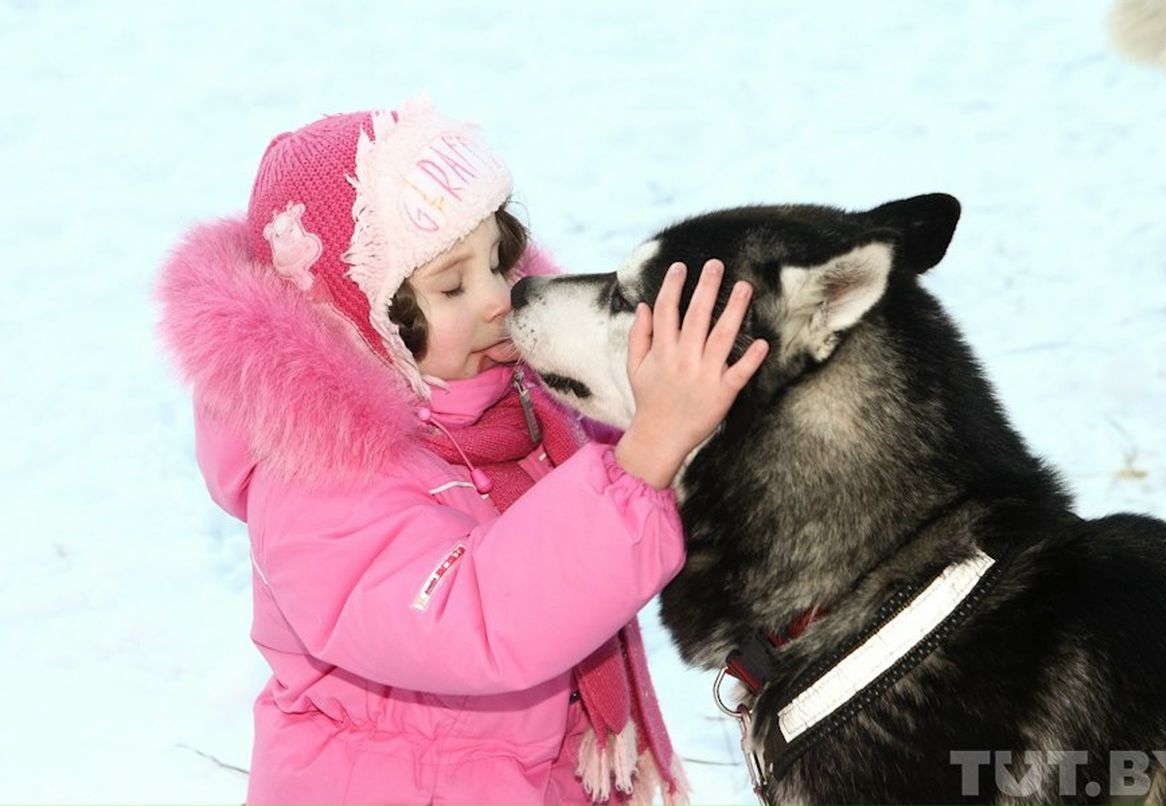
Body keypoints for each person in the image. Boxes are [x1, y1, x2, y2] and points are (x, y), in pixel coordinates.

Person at [157, 98, 767, 805]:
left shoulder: (521, 406)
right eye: (451, 284)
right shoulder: (320, 481)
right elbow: (475, 616)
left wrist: (666, 393)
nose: (497, 299)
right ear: (353, 320)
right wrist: (648, 452)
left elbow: (620, 462)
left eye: (499, 261)